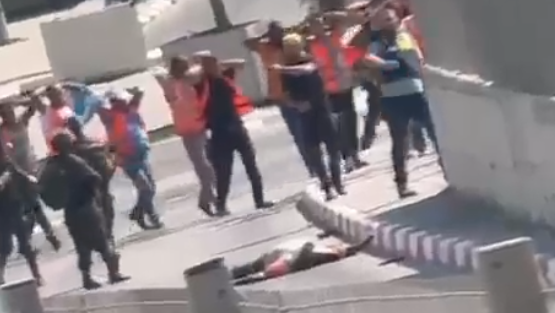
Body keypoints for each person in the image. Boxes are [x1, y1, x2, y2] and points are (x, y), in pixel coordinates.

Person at [39, 131, 130, 290]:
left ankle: (86, 279)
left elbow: (41, 188)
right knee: (103, 241)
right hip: (87, 207)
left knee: (82, 246)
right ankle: (113, 274)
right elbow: (95, 178)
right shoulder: (75, 162)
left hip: (70, 212)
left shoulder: (50, 167)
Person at [190, 51, 274, 216]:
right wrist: (201, 67)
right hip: (219, 133)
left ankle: (260, 200)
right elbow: (188, 77)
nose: (210, 66)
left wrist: (219, 63)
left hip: (236, 127)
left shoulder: (224, 76)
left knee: (251, 166)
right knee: (224, 172)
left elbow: (241, 62)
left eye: (212, 62)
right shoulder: (202, 83)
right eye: (206, 63)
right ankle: (221, 205)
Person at [370, 7, 440, 197]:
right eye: (384, 20)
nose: (389, 23)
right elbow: (371, 69)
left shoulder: (406, 36)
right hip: (393, 98)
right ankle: (402, 185)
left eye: (391, 19)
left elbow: (419, 61)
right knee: (400, 142)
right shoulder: (375, 45)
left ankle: (448, 170)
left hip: (416, 92)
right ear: (377, 24)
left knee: (434, 133)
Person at [276, 33, 344, 200]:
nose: (290, 51)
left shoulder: (311, 60)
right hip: (305, 113)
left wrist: (282, 69)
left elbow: (307, 70)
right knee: (314, 152)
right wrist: (295, 104)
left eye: (292, 46)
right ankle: (326, 185)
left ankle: (337, 181)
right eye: (287, 47)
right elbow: (285, 94)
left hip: (322, 109)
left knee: (333, 149)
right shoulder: (285, 70)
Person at [244, 21, 314, 176]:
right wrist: (265, 36)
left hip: (301, 93)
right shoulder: (265, 48)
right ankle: (312, 168)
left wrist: (290, 32)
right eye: (274, 34)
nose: (277, 36)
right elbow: (247, 43)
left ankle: (319, 164)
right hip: (282, 98)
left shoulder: (290, 47)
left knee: (311, 132)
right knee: (298, 135)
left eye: (279, 33)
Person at [306, 14, 368, 173]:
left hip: (345, 85)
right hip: (328, 90)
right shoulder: (310, 45)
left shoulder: (335, 36)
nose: (318, 27)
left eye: (319, 23)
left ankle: (355, 155)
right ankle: (346, 158)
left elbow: (355, 21)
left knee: (351, 121)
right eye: (314, 25)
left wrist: (331, 14)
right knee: (338, 126)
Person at [0, 94, 61, 251]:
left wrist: (17, 101)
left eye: (11, 111)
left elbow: (33, 105)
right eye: (6, 113)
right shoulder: (2, 132)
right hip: (19, 176)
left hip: (33, 169)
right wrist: (24, 175)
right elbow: (8, 160)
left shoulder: (21, 122)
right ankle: (47, 236)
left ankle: (26, 241)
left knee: (31, 208)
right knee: (33, 207)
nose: (11, 114)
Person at [160, 55, 216, 216]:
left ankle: (208, 198)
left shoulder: (190, 80)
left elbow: (203, 68)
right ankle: (208, 199)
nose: (185, 69)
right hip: (188, 130)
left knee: (208, 165)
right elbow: (168, 89)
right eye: (182, 66)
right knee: (204, 166)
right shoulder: (171, 84)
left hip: (199, 126)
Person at [102, 88, 163, 229]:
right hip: (127, 158)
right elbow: (99, 108)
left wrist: (131, 91)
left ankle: (139, 213)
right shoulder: (110, 117)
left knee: (150, 188)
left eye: (123, 100)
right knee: (145, 187)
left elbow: (140, 93)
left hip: (141, 154)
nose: (123, 102)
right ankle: (150, 216)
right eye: (117, 101)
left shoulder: (131, 110)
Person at [231, 234, 373, 285]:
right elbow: (348, 250)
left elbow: (348, 250)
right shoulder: (322, 249)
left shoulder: (323, 251)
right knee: (258, 270)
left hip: (288, 255)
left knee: (258, 270)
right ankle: (232, 278)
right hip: (288, 255)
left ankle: (233, 278)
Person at [0, 142, 43, 286]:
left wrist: (30, 179)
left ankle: (37, 276)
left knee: (25, 243)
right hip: (2, 211)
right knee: (5, 246)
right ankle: (0, 277)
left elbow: (19, 173)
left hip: (14, 207)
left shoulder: (7, 163)